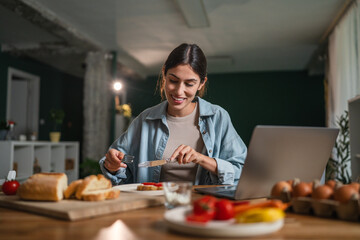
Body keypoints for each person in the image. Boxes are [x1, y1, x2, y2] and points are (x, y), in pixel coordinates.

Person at [99, 43, 247, 186]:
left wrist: (200, 158)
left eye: (189, 84)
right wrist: (113, 166)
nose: (178, 91)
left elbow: (241, 171)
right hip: (154, 207)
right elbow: (119, 170)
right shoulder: (145, 119)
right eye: (173, 80)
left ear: (201, 83)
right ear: (164, 74)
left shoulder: (218, 117)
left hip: (201, 207)